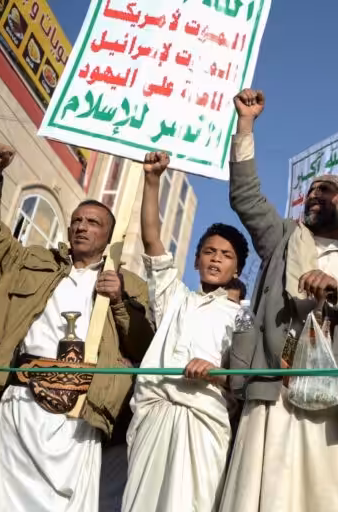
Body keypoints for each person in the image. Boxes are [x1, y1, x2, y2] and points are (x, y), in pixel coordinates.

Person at [0, 144, 153, 512]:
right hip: (21, 403)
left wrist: (118, 302)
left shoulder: (129, 284)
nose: (82, 226)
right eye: (77, 220)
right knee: (0, 501)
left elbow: (143, 346)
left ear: (110, 236)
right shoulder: (32, 262)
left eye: (93, 222)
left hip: (78, 416)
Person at [219, 89, 338, 512]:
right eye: (311, 190)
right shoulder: (283, 240)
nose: (314, 195)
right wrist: (245, 125)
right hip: (275, 389)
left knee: (328, 498)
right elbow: (245, 197)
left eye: (327, 190)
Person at [121, 152, 250, 512]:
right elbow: (151, 241)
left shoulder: (244, 317)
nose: (214, 259)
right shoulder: (174, 297)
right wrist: (151, 180)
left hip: (206, 424)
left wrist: (216, 374)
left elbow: (247, 380)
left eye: (225, 255)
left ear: (237, 268)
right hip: (156, 414)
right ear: (195, 260)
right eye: (208, 251)